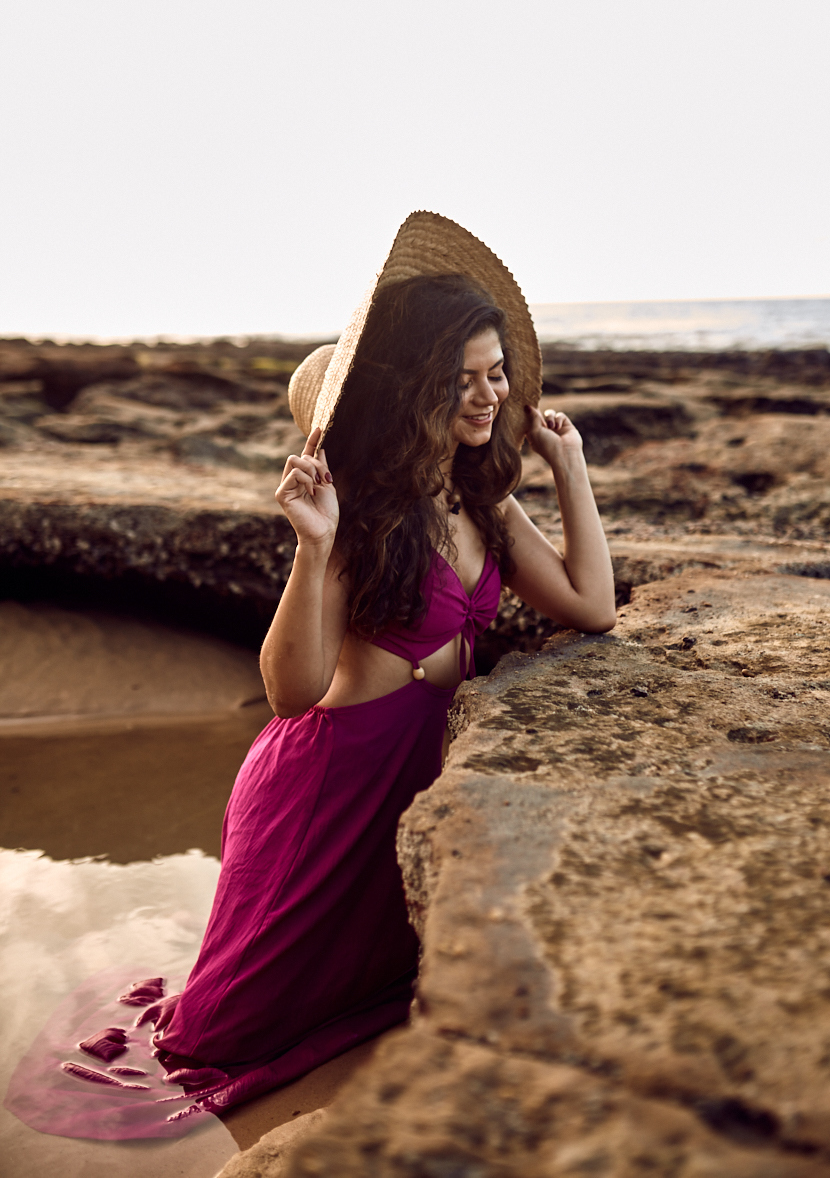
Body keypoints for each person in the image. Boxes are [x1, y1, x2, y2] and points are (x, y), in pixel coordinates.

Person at [7, 213, 615, 1138]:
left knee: (373, 982)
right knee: (229, 1030)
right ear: (416, 386)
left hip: (414, 777)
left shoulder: (483, 502)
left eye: (496, 373)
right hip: (324, 785)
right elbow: (290, 693)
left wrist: (570, 468)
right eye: (462, 379)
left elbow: (591, 606)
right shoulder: (358, 511)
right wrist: (313, 545)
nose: (489, 396)